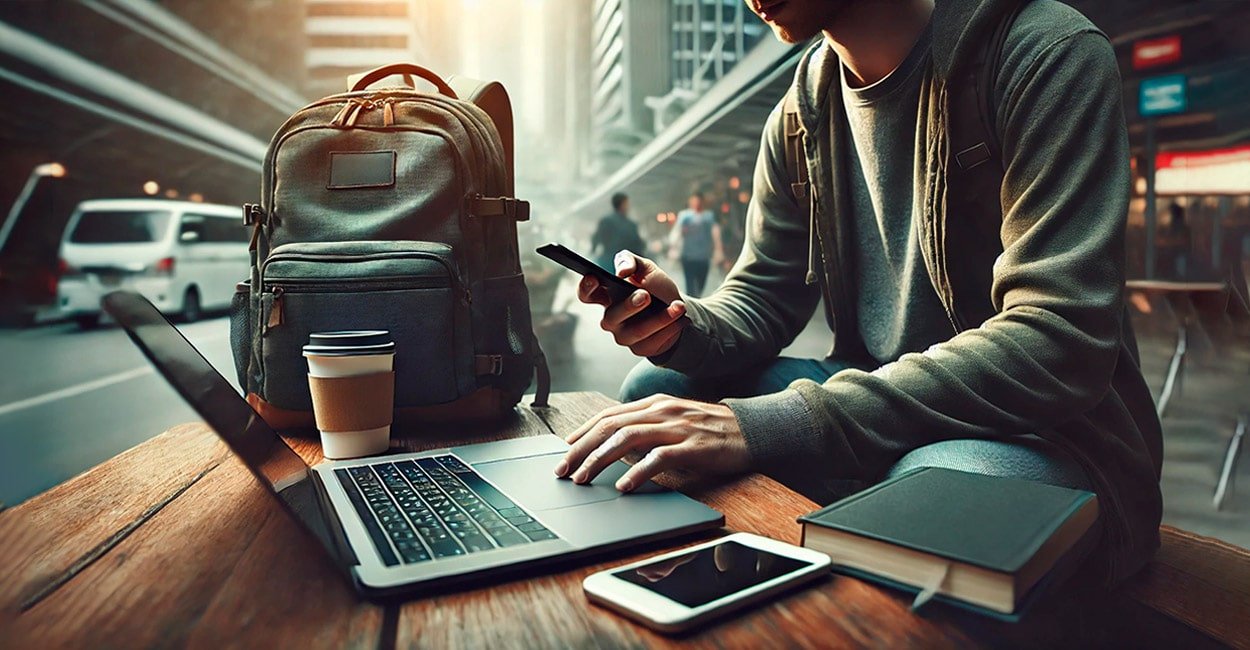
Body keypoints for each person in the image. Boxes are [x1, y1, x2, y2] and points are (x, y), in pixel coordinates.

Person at [556, 0, 1163, 587]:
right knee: (658, 391)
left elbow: (1056, 343)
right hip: (878, 391)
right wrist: (683, 326)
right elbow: (763, 293)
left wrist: (768, 426)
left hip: (1041, 433)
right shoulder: (801, 113)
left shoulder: (1043, 53)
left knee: (934, 499)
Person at [670, 192, 718, 297]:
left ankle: (697, 298)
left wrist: (718, 250)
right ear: (691, 202)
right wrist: (674, 247)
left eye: (699, 201)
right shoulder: (685, 216)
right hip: (688, 256)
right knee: (690, 285)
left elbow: (715, 232)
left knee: (701, 283)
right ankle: (692, 305)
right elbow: (677, 232)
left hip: (704, 256)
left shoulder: (708, 217)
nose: (697, 204)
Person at [590, 193, 645, 271]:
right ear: (622, 204)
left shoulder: (605, 221)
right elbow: (637, 244)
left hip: (607, 261)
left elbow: (596, 238)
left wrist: (593, 251)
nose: (628, 207)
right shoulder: (630, 225)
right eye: (627, 203)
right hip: (624, 263)